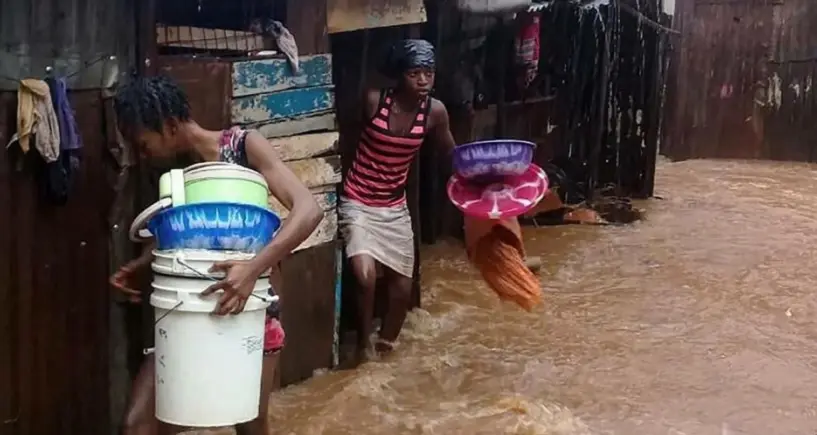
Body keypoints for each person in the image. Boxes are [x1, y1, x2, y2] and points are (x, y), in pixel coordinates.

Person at [110, 75, 323, 435]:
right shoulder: (170, 172)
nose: (141, 156)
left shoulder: (242, 147)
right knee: (139, 426)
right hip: (184, 307)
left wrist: (253, 269)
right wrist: (141, 265)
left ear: (170, 126)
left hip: (249, 307)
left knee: (250, 424)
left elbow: (308, 210)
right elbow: (187, 237)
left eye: (143, 145)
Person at [340, 39, 456, 363]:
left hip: (393, 206)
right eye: (415, 74)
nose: (423, 81)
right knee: (364, 275)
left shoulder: (435, 113)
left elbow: (451, 154)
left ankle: (386, 349)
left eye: (429, 74)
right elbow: (346, 141)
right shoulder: (374, 101)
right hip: (358, 199)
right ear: (399, 75)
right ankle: (363, 345)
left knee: (403, 288)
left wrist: (480, 179)